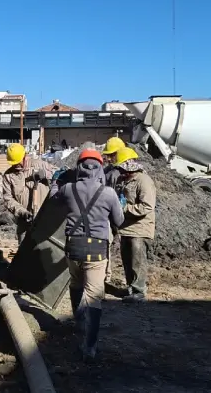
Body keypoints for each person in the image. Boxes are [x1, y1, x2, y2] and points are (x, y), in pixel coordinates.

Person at [50, 149, 124, 361]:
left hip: (73, 247)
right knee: (93, 297)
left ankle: (78, 322)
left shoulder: (69, 189)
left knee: (75, 283)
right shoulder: (108, 193)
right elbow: (119, 222)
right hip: (97, 251)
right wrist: (119, 203)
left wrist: (56, 180)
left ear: (78, 167)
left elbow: (53, 198)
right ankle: (89, 347)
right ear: (100, 167)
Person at [114, 147, 157, 303]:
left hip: (140, 227)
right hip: (125, 226)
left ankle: (139, 290)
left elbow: (147, 206)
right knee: (127, 259)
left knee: (136, 259)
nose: (119, 171)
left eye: (121, 167)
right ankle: (131, 287)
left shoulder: (143, 181)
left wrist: (124, 208)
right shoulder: (122, 180)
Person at [1, 143, 56, 243]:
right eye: (14, 163)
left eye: (18, 162)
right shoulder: (9, 176)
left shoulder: (40, 165)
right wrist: (22, 212)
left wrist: (47, 174)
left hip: (44, 219)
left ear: (25, 156)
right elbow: (8, 199)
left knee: (44, 252)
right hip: (25, 222)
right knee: (24, 254)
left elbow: (60, 174)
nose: (16, 165)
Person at [100, 136, 125, 282]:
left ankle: (108, 277)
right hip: (108, 214)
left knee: (119, 246)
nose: (108, 159)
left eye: (111, 155)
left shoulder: (119, 173)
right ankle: (106, 276)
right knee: (106, 244)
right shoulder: (108, 171)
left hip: (118, 214)